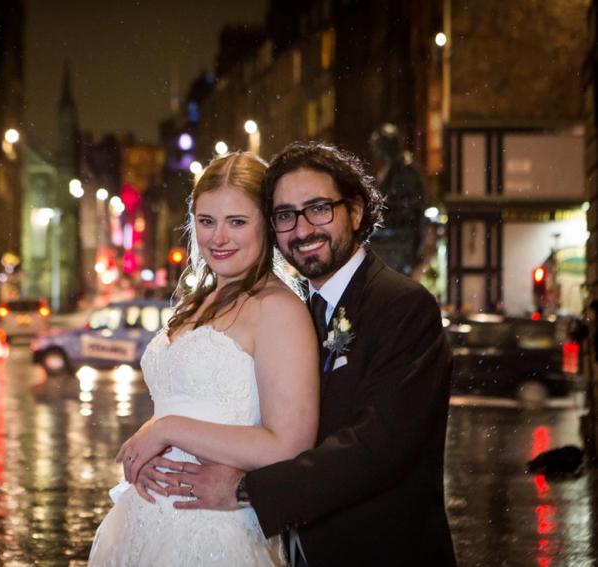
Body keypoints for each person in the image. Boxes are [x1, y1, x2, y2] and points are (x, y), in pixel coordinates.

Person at [141, 142, 456, 566]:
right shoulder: (301, 308)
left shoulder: (401, 306)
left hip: (378, 552)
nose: (303, 229)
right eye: (286, 215)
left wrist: (244, 490)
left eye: (319, 209)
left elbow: (377, 450)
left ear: (356, 211)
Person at [87, 151, 320, 566]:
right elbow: (187, 400)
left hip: (215, 530)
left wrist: (168, 430)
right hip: (145, 521)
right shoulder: (199, 301)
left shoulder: (277, 309)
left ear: (266, 223)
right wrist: (150, 437)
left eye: (237, 222)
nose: (218, 238)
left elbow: (290, 444)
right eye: (207, 221)